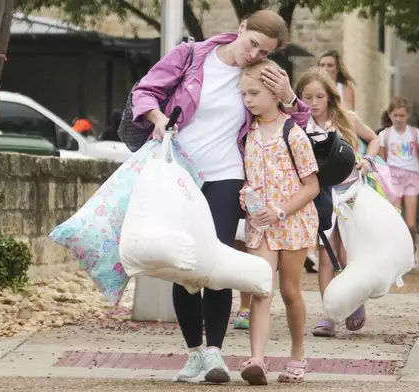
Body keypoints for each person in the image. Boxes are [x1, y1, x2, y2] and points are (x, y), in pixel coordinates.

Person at [131, 10, 310, 384]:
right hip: (180, 174)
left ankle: (215, 352)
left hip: (227, 176)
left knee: (216, 261)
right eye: (253, 44)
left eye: (264, 52)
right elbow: (144, 91)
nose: (254, 55)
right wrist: (159, 119)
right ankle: (194, 353)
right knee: (182, 265)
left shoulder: (260, 76)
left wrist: (290, 96)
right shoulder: (192, 55)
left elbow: (296, 127)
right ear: (241, 27)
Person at [237, 59, 320, 385]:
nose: (248, 100)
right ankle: (256, 358)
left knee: (289, 290)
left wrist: (282, 210)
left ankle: (298, 353)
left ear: (274, 92)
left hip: (293, 222)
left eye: (254, 92)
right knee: (261, 289)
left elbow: (311, 186)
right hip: (261, 225)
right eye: (244, 94)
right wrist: (247, 196)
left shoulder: (293, 133)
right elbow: (248, 179)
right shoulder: (247, 135)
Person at [294, 67, 379, 337]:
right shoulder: (298, 124)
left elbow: (373, 139)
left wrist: (368, 160)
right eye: (308, 97)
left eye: (319, 96)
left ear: (330, 97)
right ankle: (329, 314)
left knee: (348, 253)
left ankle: (355, 300)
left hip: (350, 191)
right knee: (326, 253)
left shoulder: (346, 119)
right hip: (321, 193)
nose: (314, 103)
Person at [379, 97, 419, 264]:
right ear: (390, 115)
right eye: (395, 115)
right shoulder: (384, 135)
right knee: (396, 218)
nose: (398, 119)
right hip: (393, 177)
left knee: (411, 222)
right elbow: (382, 160)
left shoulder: (415, 134)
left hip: (411, 176)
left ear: (408, 116)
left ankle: (413, 250)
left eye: (402, 115)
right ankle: (396, 253)